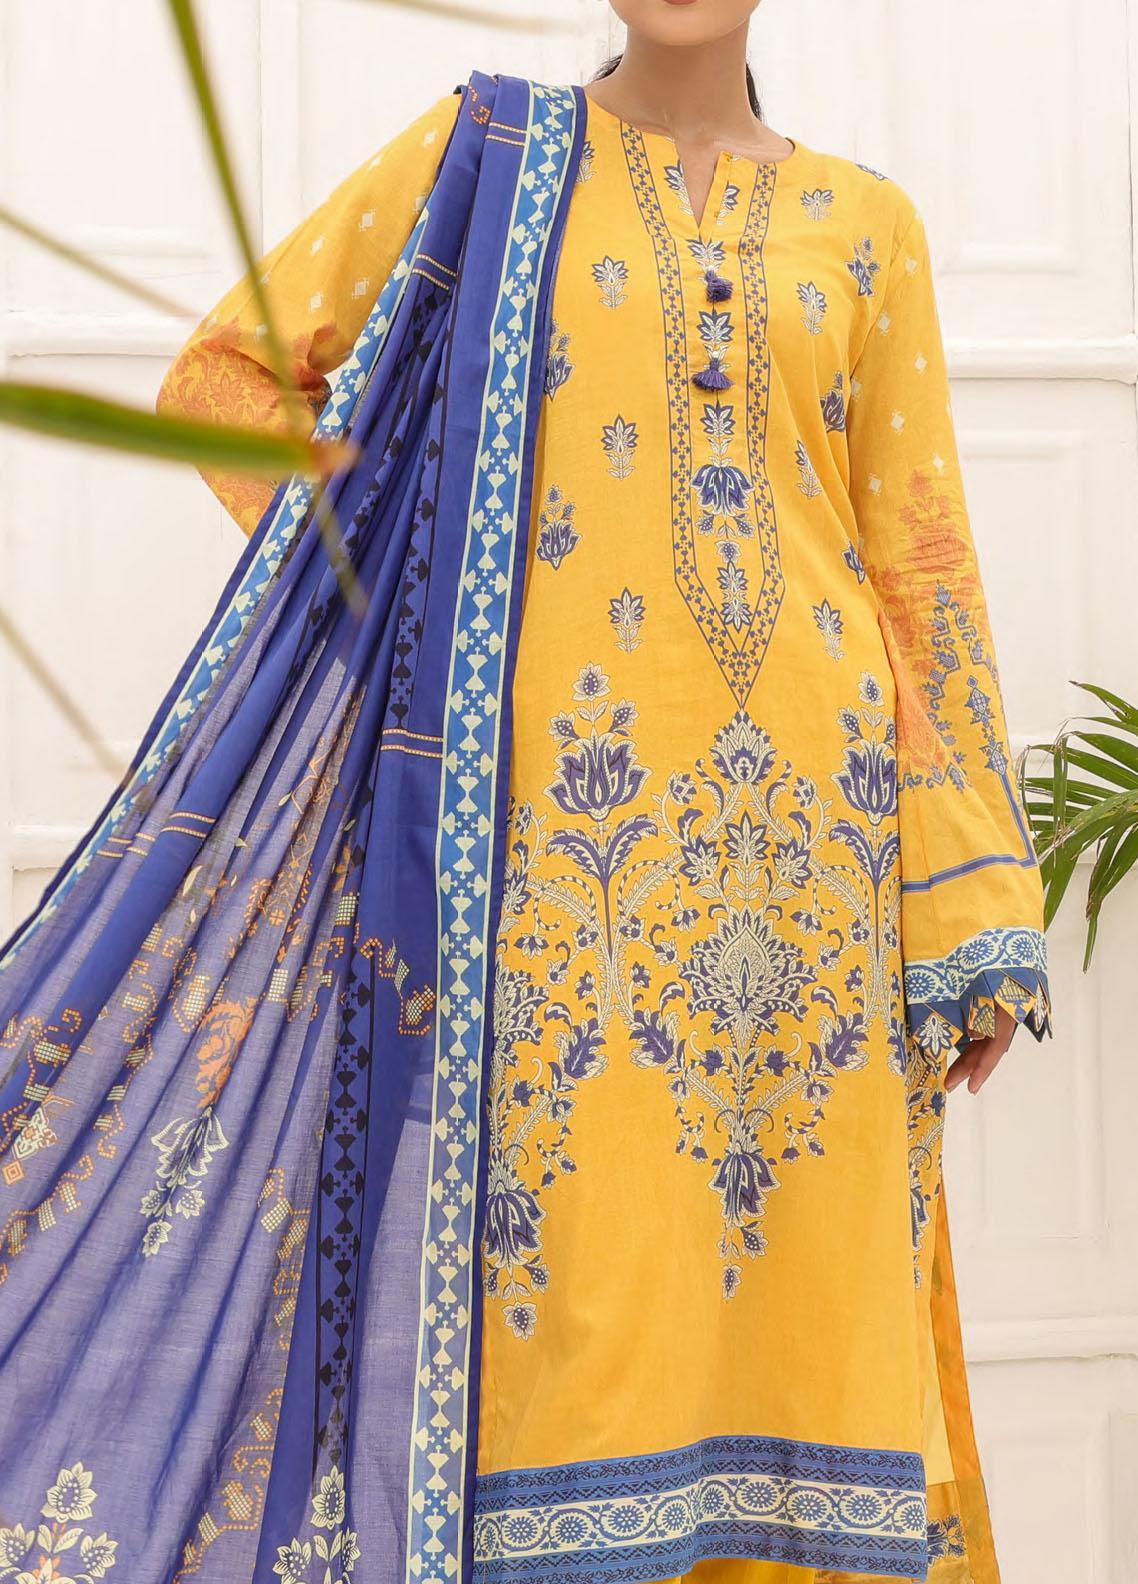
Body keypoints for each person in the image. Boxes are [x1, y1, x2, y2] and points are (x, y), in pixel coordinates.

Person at [0, 5, 1049, 1583]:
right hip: (563, 881)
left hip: (817, 889)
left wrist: (973, 899)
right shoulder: (484, 152)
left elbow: (920, 563)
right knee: (568, 1331)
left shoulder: (867, 224)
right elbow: (227, 378)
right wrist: (409, 615)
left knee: (806, 1346)